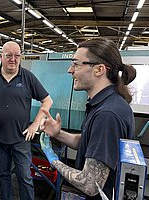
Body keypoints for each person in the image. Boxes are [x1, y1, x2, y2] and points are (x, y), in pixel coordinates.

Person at [39, 37, 136, 199]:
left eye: (76, 64)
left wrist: (53, 159)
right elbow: (90, 143)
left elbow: (90, 184)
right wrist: (58, 134)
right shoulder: (105, 103)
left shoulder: (107, 115)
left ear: (99, 70)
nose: (70, 70)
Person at [0, 41, 53, 200]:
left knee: (24, 177)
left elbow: (47, 101)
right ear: (1, 57)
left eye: (17, 56)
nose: (13, 59)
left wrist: (35, 124)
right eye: (9, 55)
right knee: (3, 175)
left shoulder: (27, 77)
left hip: (21, 139)